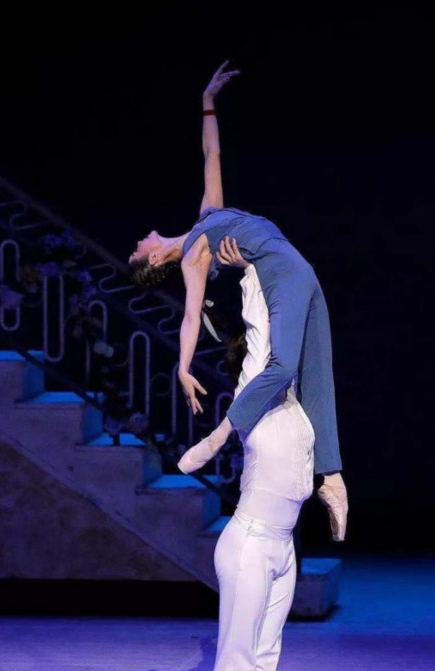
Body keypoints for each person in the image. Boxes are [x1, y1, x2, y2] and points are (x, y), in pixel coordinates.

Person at [128, 60, 348, 540]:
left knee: (317, 373)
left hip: (298, 267)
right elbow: (191, 316)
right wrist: (182, 367)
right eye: (137, 249)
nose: (140, 239)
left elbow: (212, 153)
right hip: (279, 274)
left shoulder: (206, 216)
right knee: (283, 366)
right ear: (152, 260)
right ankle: (219, 436)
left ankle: (332, 478)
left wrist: (207, 101)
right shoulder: (192, 258)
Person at [208, 256, 315, 671]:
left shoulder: (294, 407)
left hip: (282, 547)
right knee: (239, 655)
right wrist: (252, 272)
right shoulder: (253, 398)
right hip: (249, 542)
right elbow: (259, 332)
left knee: (265, 658)